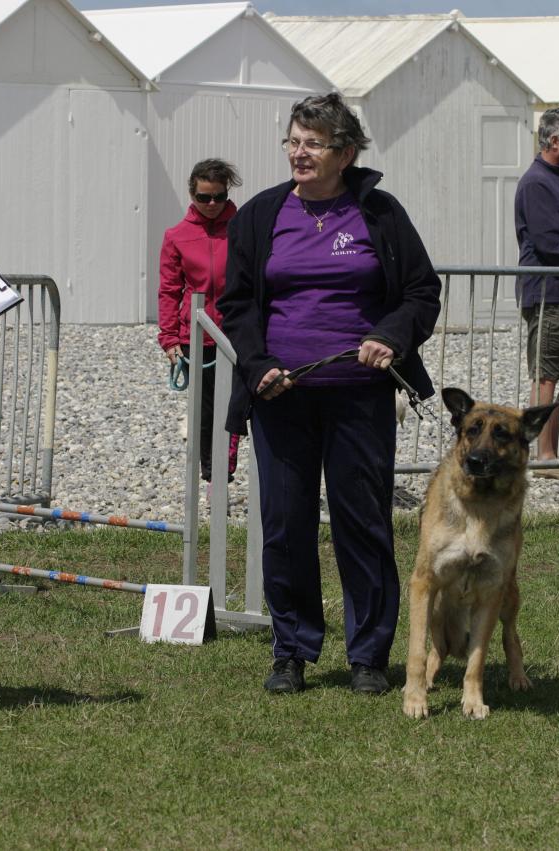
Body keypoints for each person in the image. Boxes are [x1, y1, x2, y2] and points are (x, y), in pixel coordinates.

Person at [219, 93, 440, 696]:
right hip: (281, 396)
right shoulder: (261, 215)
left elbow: (421, 292)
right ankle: (291, 650)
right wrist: (258, 365)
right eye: (293, 140)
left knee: (362, 523)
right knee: (284, 525)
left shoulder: (380, 214)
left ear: (345, 152)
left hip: (360, 397)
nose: (299, 151)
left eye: (313, 142)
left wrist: (389, 337)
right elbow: (235, 302)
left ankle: (369, 654)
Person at [158, 158, 242, 483]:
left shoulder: (243, 227)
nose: (211, 204)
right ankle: (212, 473)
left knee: (237, 404)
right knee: (206, 412)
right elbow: (168, 290)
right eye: (203, 197)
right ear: (191, 193)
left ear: (227, 193)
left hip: (237, 334)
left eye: (218, 197)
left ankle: (226, 466)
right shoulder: (176, 236)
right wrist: (168, 339)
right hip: (198, 338)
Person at [515, 107, 559, 475]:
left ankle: (550, 444)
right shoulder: (537, 183)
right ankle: (543, 454)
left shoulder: (553, 179)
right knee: (548, 374)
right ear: (554, 140)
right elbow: (551, 245)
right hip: (548, 293)